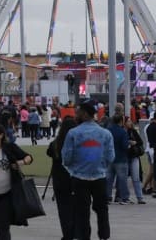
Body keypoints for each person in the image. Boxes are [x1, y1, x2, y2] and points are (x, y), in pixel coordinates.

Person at [61, 100, 115, 240]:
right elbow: (111, 156)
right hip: (99, 176)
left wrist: (73, 167)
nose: (75, 115)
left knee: (82, 212)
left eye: (78, 112)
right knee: (102, 209)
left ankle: (84, 236)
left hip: (79, 177)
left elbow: (66, 157)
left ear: (84, 114)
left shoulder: (73, 133)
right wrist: (101, 166)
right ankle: (104, 235)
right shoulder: (105, 133)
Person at [47, 116, 77, 240]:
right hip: (75, 178)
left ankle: (67, 234)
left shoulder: (56, 143)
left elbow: (49, 153)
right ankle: (76, 231)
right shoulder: (77, 141)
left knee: (63, 209)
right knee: (76, 207)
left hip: (59, 179)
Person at [106, 114, 131, 204]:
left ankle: (107, 196)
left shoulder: (108, 130)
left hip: (109, 158)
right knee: (122, 179)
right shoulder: (123, 132)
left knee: (108, 179)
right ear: (121, 121)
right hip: (121, 158)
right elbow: (125, 146)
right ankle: (124, 197)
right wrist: (129, 145)